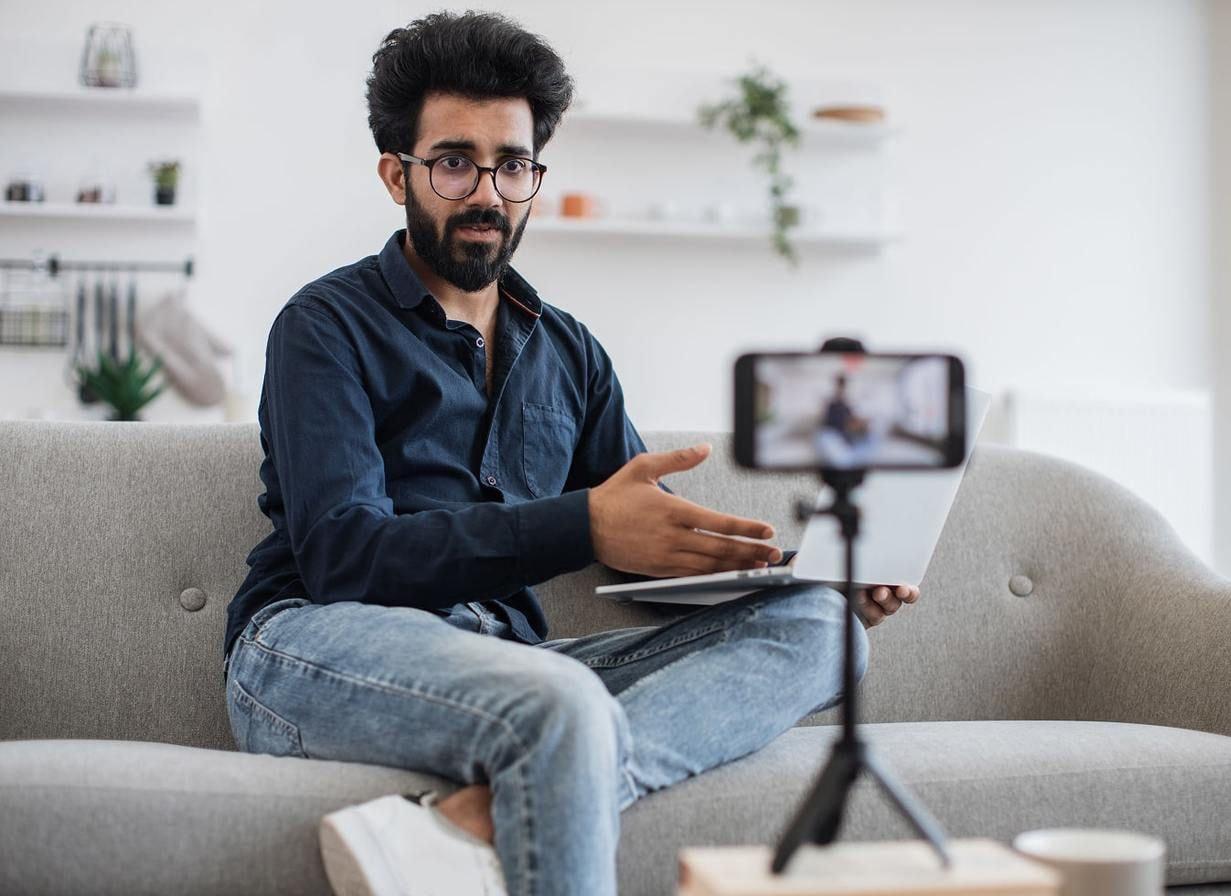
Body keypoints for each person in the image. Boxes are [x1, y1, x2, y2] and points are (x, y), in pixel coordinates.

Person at [222, 12, 920, 896]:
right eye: (454, 162)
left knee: (828, 637)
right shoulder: (324, 327)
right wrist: (583, 521)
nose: (488, 193)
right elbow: (343, 556)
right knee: (561, 707)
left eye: (513, 165)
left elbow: (646, 556)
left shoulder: (571, 352)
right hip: (314, 648)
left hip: (519, 671)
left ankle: (474, 819)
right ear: (396, 172)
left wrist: (801, 574)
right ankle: (554, 756)